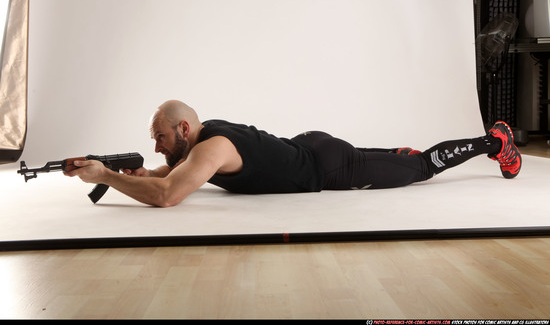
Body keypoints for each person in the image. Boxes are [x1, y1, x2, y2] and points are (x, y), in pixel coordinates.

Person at [65, 100, 522, 207]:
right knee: (399, 158)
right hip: (309, 145)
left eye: (161, 137)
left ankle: (495, 141)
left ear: (183, 129)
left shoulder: (211, 149)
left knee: (421, 167)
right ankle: (394, 155)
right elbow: (161, 176)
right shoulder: (201, 143)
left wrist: (106, 175)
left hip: (330, 166)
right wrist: (108, 170)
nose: (157, 146)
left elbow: (167, 195)